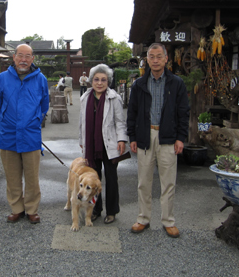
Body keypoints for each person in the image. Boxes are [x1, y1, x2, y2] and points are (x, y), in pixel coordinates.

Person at [127, 43, 189, 238]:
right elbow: (132, 112)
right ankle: (143, 218)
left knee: (168, 182)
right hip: (146, 135)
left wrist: (181, 137)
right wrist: (133, 136)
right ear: (147, 59)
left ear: (165, 58)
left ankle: (168, 220)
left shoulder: (176, 83)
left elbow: (183, 112)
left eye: (158, 56)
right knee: (144, 181)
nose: (155, 60)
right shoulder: (139, 84)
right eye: (151, 57)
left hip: (168, 136)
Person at [0, 44, 49, 224]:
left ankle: (32, 209)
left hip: (31, 135)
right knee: (12, 176)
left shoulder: (40, 79)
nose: (24, 60)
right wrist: (8, 117)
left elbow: (44, 105)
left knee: (32, 177)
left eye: (27, 56)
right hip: (8, 134)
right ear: (14, 57)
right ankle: (17, 208)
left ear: (33, 59)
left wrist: (33, 119)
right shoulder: (2, 78)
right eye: (20, 56)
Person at [79, 64, 128, 224]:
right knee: (93, 180)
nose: (99, 83)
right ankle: (96, 209)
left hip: (109, 145)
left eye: (103, 80)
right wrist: (82, 141)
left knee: (111, 179)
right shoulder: (85, 98)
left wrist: (122, 139)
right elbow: (82, 123)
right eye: (96, 79)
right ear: (91, 81)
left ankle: (112, 211)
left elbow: (120, 122)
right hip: (92, 145)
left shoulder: (114, 98)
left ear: (108, 81)